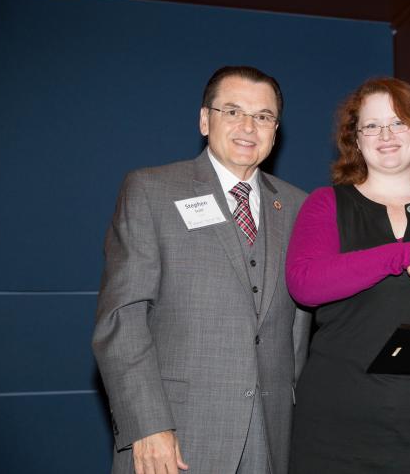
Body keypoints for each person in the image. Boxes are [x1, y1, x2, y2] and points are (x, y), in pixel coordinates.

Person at [92, 66, 310, 474]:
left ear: (275, 130)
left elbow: (298, 330)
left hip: (271, 436)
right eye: (232, 111)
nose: (249, 126)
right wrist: (148, 425)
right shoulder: (151, 190)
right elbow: (122, 319)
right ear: (205, 119)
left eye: (263, 116)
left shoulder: (299, 208)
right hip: (174, 437)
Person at [285, 77, 410, 473]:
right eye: (372, 126)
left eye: (399, 122)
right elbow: (305, 284)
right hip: (338, 422)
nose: (386, 135)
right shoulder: (325, 204)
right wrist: (399, 255)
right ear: (356, 140)